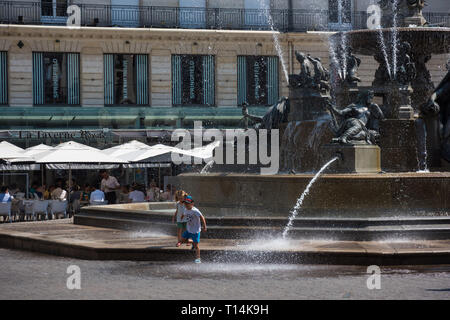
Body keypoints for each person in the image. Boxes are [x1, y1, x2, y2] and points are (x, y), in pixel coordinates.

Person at [180, 195, 207, 264]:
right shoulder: (186, 209)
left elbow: (202, 217)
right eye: (185, 203)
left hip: (195, 230)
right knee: (182, 240)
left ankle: (198, 258)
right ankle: (191, 241)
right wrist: (181, 217)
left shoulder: (195, 211)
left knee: (196, 246)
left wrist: (204, 226)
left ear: (192, 204)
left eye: (187, 203)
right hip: (189, 229)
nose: (186, 205)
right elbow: (184, 214)